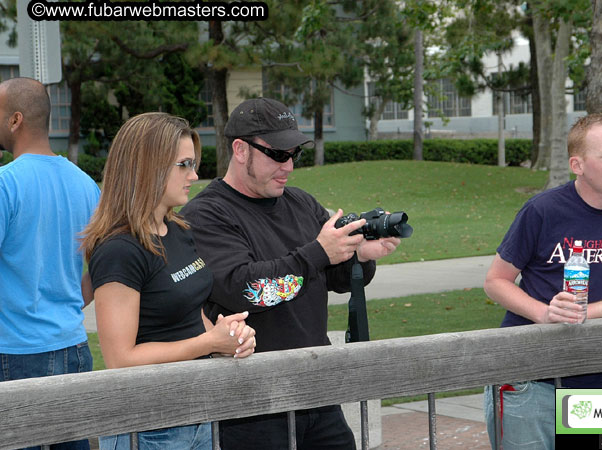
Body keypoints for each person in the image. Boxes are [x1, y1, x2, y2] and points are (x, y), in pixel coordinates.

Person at [181, 97, 401, 449]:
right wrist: (318, 253)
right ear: (240, 150)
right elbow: (249, 291)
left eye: (294, 154)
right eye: (278, 154)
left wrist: (358, 256)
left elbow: (334, 279)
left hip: (317, 391)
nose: (289, 166)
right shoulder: (207, 214)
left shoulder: (301, 202)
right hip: (253, 404)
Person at [482, 112, 602, 450]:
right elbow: (495, 281)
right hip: (529, 381)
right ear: (577, 165)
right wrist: (544, 314)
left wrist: (579, 313)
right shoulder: (542, 210)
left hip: (598, 379)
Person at [80, 112, 256, 449]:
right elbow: (120, 359)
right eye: (184, 165)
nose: (195, 174)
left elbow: (192, 314)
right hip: (146, 430)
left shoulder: (178, 230)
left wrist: (228, 337)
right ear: (147, 167)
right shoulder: (119, 249)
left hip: (195, 415)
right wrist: (210, 344)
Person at [0, 77, 100, 450]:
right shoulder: (87, 185)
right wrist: (70, 302)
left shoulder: (5, 185)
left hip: (15, 354)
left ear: (15, 120)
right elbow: (104, 269)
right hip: (74, 348)